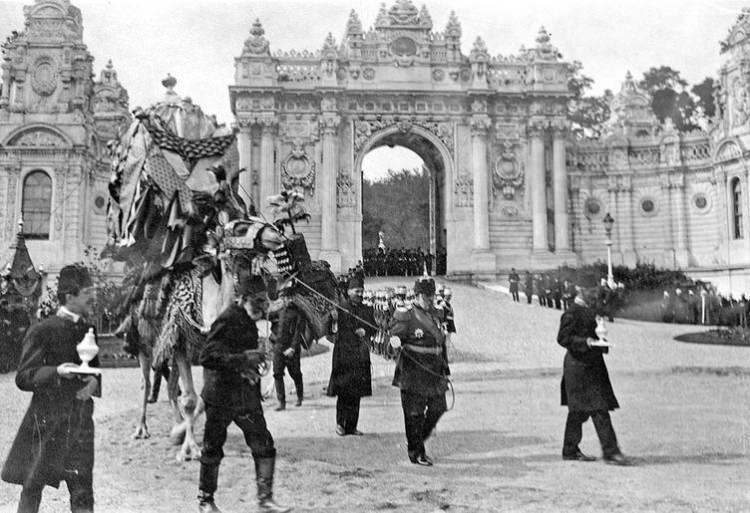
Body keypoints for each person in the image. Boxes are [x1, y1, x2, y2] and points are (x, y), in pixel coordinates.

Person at [2, 265, 101, 513]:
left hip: (80, 422)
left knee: (82, 491)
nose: (94, 296)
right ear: (70, 296)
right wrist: (56, 372)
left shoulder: (88, 330)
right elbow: (23, 376)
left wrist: (93, 384)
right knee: (32, 485)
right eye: (88, 291)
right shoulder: (42, 330)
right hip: (47, 422)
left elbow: (95, 371)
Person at [197, 274, 290, 513]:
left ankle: (265, 500)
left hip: (245, 396)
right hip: (220, 397)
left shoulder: (249, 318)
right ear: (243, 298)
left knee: (264, 444)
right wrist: (244, 359)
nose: (263, 306)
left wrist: (257, 357)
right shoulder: (227, 319)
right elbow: (206, 356)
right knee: (212, 447)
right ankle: (206, 501)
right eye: (258, 301)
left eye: (264, 301)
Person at [556, 283, 630, 466]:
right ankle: (611, 452)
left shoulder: (589, 311)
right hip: (579, 367)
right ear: (581, 291)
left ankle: (570, 450)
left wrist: (601, 342)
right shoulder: (571, 313)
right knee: (599, 408)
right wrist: (586, 342)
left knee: (578, 411)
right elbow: (563, 338)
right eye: (591, 291)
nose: (595, 294)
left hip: (591, 365)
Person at [389, 277, 450, 466]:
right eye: (426, 296)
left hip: (434, 370)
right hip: (413, 370)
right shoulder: (406, 315)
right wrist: (395, 343)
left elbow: (441, 343)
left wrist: (445, 369)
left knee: (438, 407)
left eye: (431, 295)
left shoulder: (437, 313)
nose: (430, 299)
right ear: (416, 295)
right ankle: (416, 453)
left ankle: (416, 438)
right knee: (414, 413)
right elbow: (391, 341)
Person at [327, 274, 375, 436]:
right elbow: (330, 331)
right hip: (344, 355)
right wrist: (333, 321)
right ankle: (340, 424)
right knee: (344, 392)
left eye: (361, 291)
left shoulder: (367, 309)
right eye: (356, 291)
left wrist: (366, 330)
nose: (359, 294)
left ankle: (352, 426)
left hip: (360, 356)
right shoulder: (339, 308)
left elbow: (374, 328)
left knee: (356, 394)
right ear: (348, 291)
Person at [271, 296, 305, 411]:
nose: (287, 299)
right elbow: (268, 316)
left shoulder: (298, 313)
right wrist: (270, 306)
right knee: (277, 373)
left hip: (291, 349)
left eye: (289, 297)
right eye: (284, 297)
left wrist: (293, 348)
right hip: (279, 347)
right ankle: (281, 402)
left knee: (295, 373)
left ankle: (300, 397)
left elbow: (298, 332)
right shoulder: (279, 311)